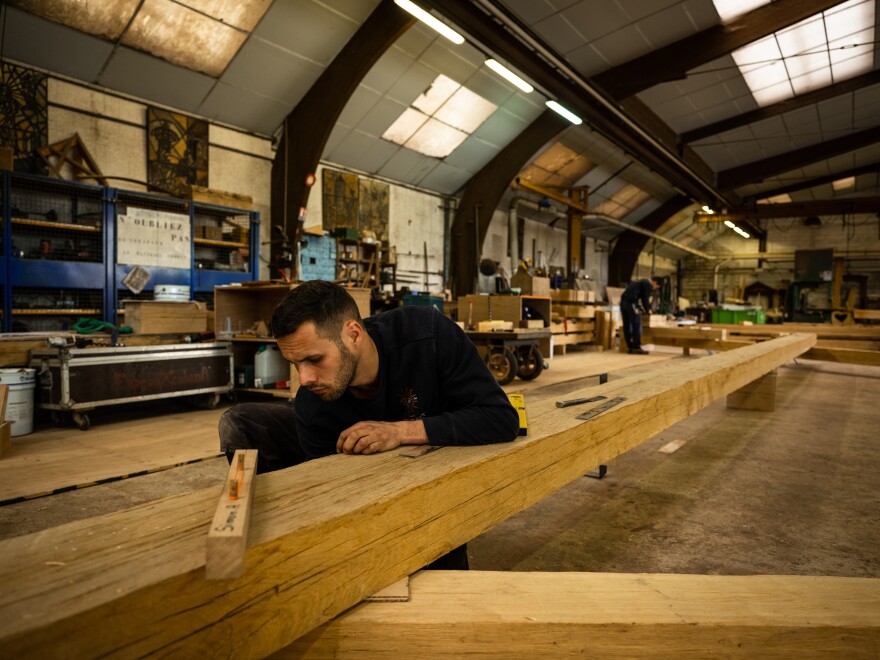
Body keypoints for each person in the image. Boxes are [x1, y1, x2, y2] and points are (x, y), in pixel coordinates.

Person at [218, 280, 520, 569]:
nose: (305, 378)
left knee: (443, 568)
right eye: (295, 363)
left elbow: (501, 418)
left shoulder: (426, 335)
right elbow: (336, 503)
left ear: (353, 334)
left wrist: (400, 431)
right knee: (241, 422)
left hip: (437, 475)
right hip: (371, 484)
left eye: (314, 359)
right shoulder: (313, 404)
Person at [620, 276, 662, 355]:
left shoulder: (640, 282)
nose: (654, 289)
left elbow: (636, 296)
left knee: (627, 325)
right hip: (631, 303)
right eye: (656, 287)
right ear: (655, 282)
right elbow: (644, 298)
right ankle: (636, 347)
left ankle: (630, 347)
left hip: (624, 303)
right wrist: (647, 310)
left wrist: (640, 307)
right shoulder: (647, 284)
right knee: (637, 324)